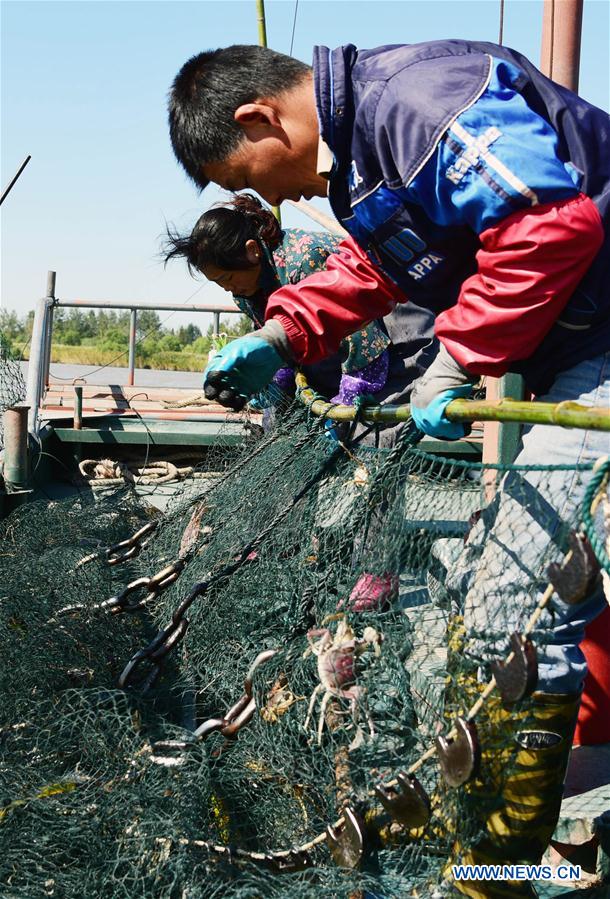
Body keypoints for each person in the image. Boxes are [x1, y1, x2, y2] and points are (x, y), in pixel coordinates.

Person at [167, 41, 609, 895]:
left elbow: (553, 226)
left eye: (242, 173)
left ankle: (494, 876)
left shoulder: (415, 102)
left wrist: (456, 357)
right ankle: (517, 849)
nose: (263, 198)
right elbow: (376, 263)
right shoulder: (362, 158)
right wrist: (281, 333)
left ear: (259, 118)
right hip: (574, 350)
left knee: (516, 605)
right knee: (500, 611)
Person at [164, 192, 437, 441]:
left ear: (252, 250)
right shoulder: (245, 292)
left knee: (369, 435)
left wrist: (345, 402)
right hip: (337, 352)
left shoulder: (305, 258)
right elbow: (283, 350)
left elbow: (363, 339)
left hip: (393, 330)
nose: (226, 288)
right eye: (218, 283)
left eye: (227, 277)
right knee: (280, 428)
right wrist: (272, 384)